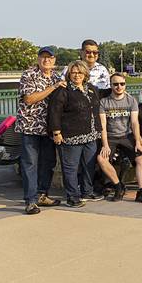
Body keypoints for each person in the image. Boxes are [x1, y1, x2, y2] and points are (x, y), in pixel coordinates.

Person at [16, 46, 65, 214]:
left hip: (49, 128)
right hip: (30, 127)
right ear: (38, 59)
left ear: (54, 60)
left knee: (48, 163)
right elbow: (29, 99)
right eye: (43, 57)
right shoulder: (28, 75)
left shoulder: (58, 77)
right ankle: (30, 201)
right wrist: (53, 88)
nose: (46, 60)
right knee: (30, 164)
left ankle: (42, 195)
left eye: (50, 58)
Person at [47, 60, 101, 208]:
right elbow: (54, 112)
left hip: (91, 135)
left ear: (85, 74)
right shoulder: (63, 91)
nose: (77, 75)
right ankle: (72, 197)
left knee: (88, 165)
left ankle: (87, 191)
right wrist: (56, 132)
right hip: (71, 136)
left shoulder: (91, 89)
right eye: (73, 72)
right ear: (69, 74)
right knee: (70, 167)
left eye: (80, 72)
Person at [96, 73, 142, 203]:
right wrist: (105, 145)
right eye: (115, 84)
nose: (119, 87)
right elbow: (103, 126)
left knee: (140, 157)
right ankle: (118, 186)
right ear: (111, 86)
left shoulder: (131, 100)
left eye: (122, 84)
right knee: (101, 158)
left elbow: (134, 123)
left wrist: (138, 142)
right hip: (111, 136)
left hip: (127, 136)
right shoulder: (104, 102)